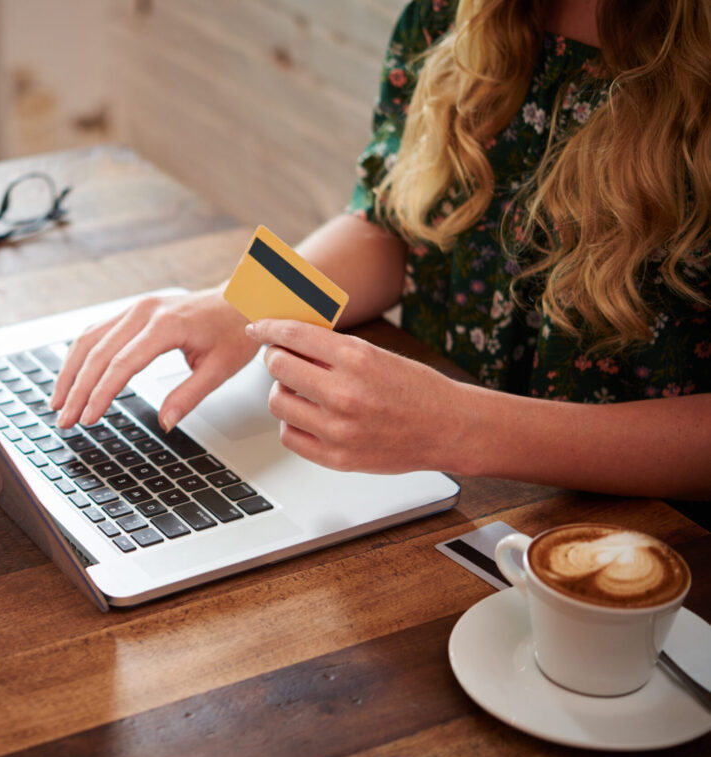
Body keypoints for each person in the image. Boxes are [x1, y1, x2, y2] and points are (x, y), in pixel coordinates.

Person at [50, 0, 711, 500]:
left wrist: (461, 424)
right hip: (452, 492)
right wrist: (239, 306)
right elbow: (396, 228)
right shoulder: (456, 16)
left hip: (644, 550)